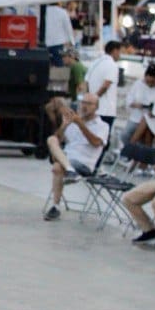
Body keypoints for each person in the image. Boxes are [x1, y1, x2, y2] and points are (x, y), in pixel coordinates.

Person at [43, 93, 110, 221]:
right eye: (83, 102)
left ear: (96, 107)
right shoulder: (73, 121)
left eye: (89, 104)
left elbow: (96, 142)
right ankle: (70, 170)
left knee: (57, 167)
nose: (84, 106)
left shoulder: (102, 125)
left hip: (84, 164)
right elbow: (59, 140)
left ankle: (55, 206)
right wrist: (64, 126)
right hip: (67, 158)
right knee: (52, 139)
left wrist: (81, 125)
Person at [121, 64, 155, 147]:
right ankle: (129, 149)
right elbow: (129, 97)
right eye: (147, 82)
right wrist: (133, 104)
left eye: (152, 82)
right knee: (125, 134)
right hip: (136, 116)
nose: (149, 84)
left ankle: (134, 151)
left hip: (151, 119)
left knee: (144, 140)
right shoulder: (138, 84)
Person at [85, 40, 122, 132]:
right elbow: (106, 85)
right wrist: (95, 99)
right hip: (106, 110)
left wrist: (89, 101)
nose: (120, 55)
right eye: (119, 52)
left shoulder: (94, 63)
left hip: (93, 109)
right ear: (115, 51)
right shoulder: (112, 65)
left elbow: (86, 83)